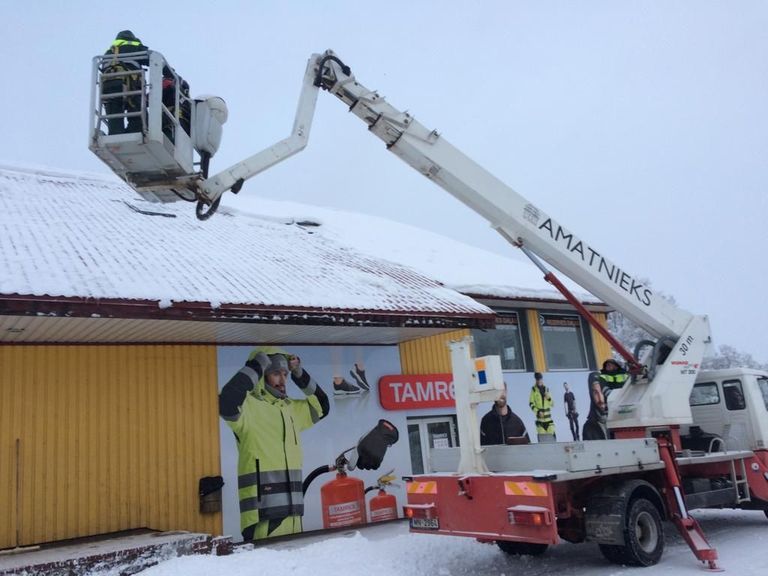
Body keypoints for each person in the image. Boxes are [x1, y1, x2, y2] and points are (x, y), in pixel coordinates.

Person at [219, 346, 329, 541]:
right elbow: (226, 402)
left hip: (294, 514)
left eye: (285, 374)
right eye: (276, 373)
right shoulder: (248, 408)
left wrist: (300, 374)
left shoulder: (290, 408)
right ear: (262, 376)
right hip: (263, 517)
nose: (283, 380)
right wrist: (256, 366)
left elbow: (322, 405)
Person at [102, 30, 150, 134]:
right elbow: (152, 58)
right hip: (129, 86)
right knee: (138, 118)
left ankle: (116, 135)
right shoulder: (134, 46)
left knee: (114, 118)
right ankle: (135, 132)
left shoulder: (109, 52)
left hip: (108, 87)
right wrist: (169, 72)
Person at [529, 372, 556, 442]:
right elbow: (531, 404)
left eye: (540, 379)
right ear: (536, 380)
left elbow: (552, 404)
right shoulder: (533, 390)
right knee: (543, 443)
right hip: (540, 422)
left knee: (552, 442)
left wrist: (548, 398)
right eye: (537, 379)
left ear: (542, 379)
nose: (539, 381)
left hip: (549, 421)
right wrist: (538, 412)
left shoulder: (546, 389)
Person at [583, 371, 608, 440]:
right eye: (595, 393)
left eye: (602, 392)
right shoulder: (588, 428)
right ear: (591, 395)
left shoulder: (619, 419)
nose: (600, 399)